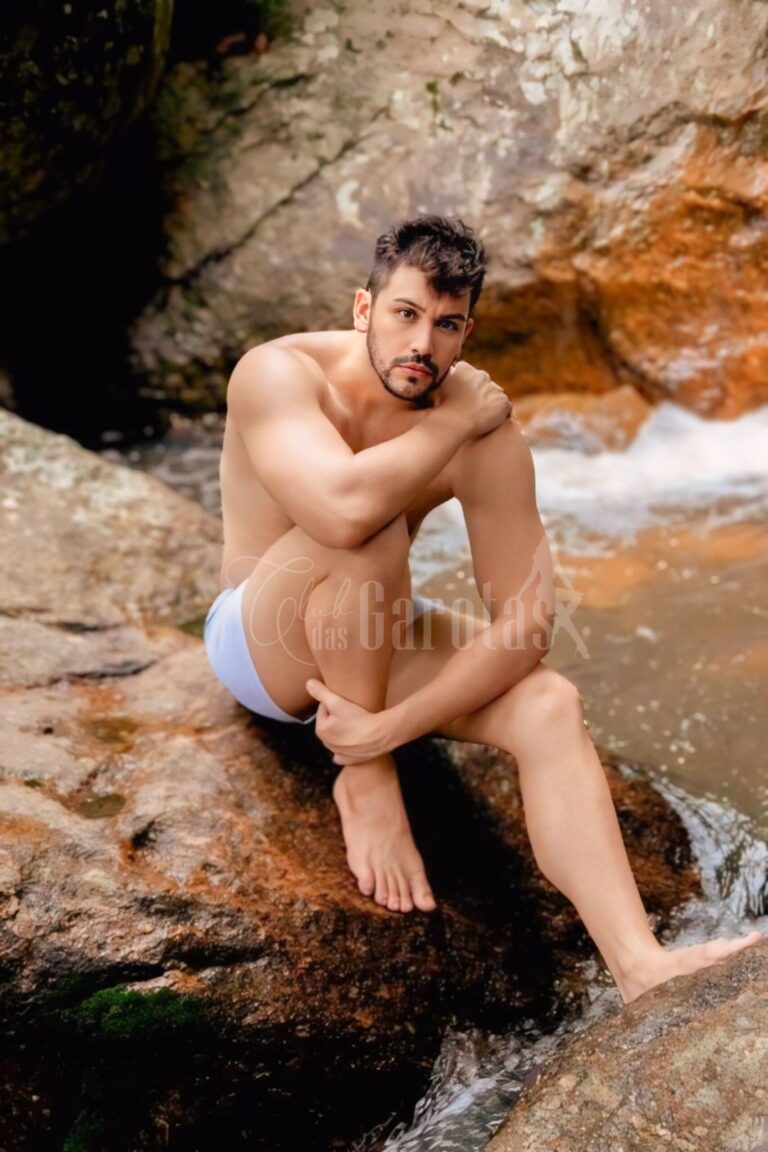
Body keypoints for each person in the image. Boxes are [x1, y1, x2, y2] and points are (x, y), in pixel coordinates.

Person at [204, 214, 761, 1003]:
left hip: (369, 626)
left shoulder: (487, 434)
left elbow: (528, 625)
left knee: (547, 703)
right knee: (368, 530)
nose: (422, 344)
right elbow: (338, 513)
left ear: (467, 332)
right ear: (364, 308)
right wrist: (455, 421)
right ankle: (363, 780)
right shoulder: (279, 374)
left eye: (446, 324)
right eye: (405, 314)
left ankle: (640, 964)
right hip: (261, 643)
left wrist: (396, 723)